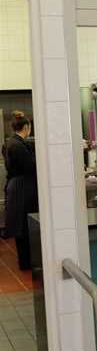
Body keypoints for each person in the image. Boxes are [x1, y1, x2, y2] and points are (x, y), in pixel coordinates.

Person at [2, 111, 37, 271]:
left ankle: (25, 261)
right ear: (26, 127)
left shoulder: (10, 143)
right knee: (25, 226)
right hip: (23, 189)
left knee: (20, 226)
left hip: (16, 187)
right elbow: (30, 166)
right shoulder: (18, 145)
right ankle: (27, 262)